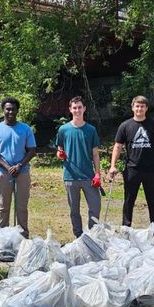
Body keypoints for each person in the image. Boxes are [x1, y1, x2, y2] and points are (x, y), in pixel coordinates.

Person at [107, 95, 154, 231]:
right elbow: (117, 146)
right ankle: (126, 229)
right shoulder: (125, 125)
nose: (139, 108)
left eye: (142, 106)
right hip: (132, 169)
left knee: (153, 202)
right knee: (128, 201)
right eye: (137, 106)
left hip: (151, 170)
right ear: (133, 108)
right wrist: (112, 166)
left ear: (146, 108)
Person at [0, 97, 37, 235]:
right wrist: (8, 167)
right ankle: (2, 237)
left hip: (23, 172)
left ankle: (23, 236)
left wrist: (19, 165)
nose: (10, 112)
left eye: (13, 109)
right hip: (3, 173)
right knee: (3, 207)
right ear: (3, 110)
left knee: (21, 207)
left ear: (17, 111)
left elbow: (32, 150)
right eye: (8, 109)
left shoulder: (25, 128)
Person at [54, 96, 103, 238]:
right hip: (70, 176)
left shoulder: (91, 129)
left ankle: (93, 235)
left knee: (95, 208)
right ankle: (79, 236)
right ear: (70, 110)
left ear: (84, 109)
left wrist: (98, 174)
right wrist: (60, 155)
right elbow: (59, 150)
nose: (77, 110)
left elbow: (95, 154)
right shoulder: (63, 129)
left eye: (79, 107)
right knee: (74, 210)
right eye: (74, 108)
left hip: (89, 176)